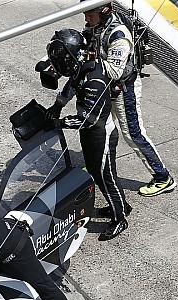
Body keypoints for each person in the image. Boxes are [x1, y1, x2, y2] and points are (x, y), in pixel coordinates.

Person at [44, 28, 131, 240]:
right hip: (91, 133)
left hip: (100, 133)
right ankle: (120, 205)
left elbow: (88, 119)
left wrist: (61, 121)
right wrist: (57, 106)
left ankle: (120, 219)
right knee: (95, 171)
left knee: (106, 176)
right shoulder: (82, 68)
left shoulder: (95, 79)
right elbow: (71, 87)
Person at [81, 0, 175, 197]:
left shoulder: (119, 35)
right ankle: (97, 168)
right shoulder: (94, 27)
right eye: (85, 14)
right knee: (102, 131)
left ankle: (162, 177)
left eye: (91, 14)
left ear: (103, 12)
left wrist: (89, 61)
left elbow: (115, 71)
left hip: (124, 90)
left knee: (134, 134)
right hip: (104, 88)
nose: (87, 18)